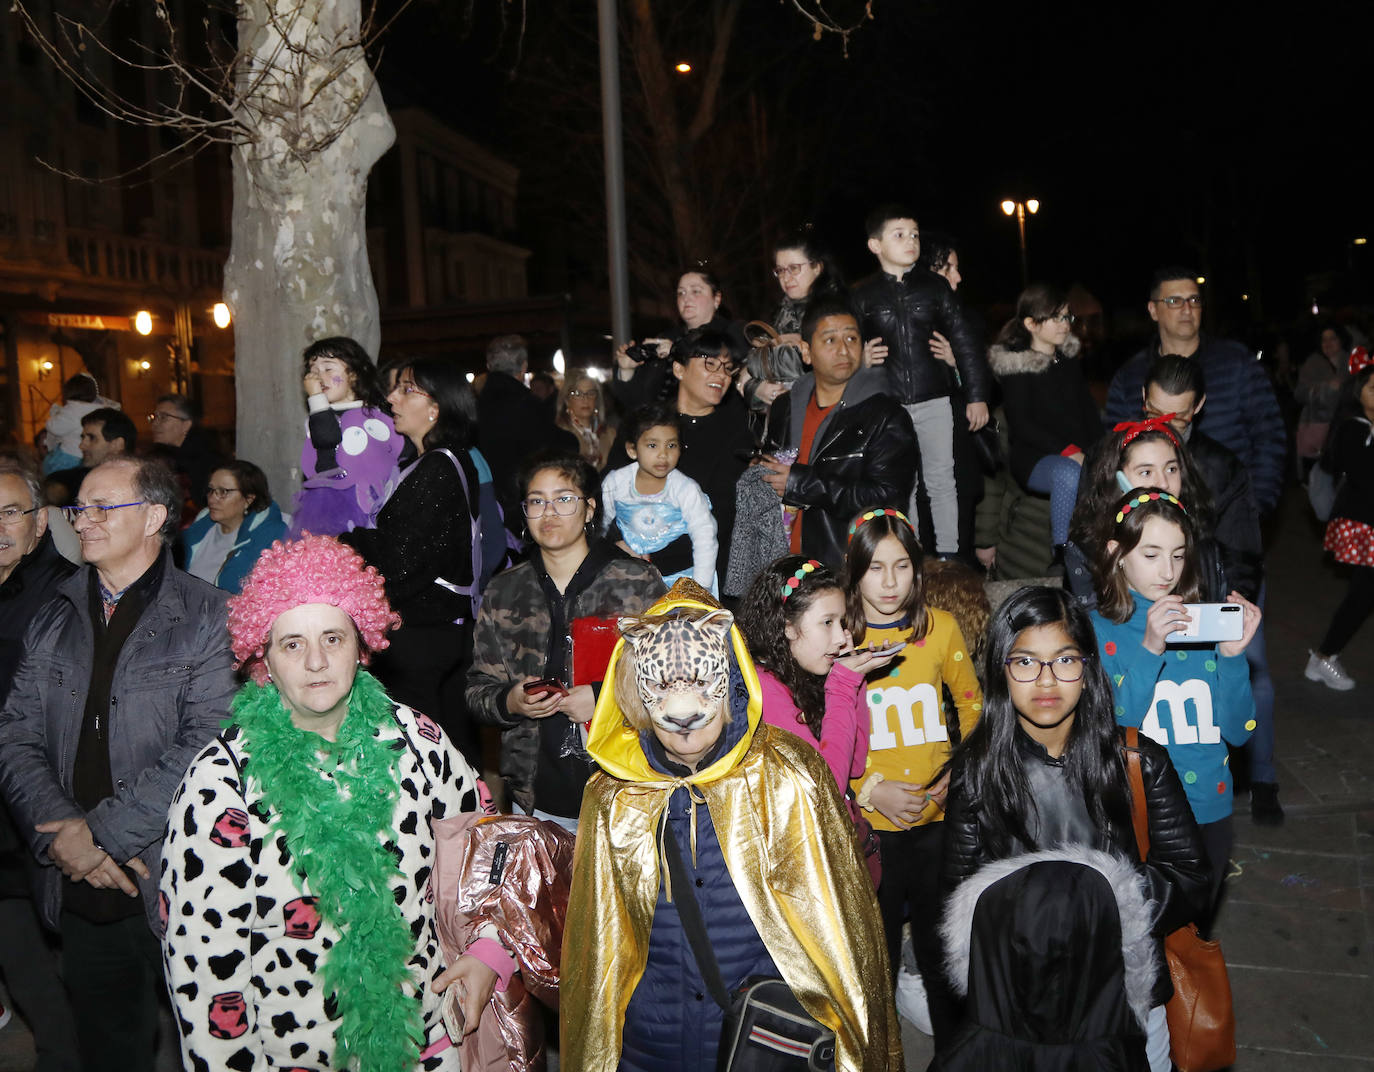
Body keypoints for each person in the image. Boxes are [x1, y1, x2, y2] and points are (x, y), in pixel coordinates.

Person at [162, 535, 515, 1071]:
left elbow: (494, 849)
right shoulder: (221, 784)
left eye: (333, 637)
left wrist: (489, 952)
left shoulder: (418, 742)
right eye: (292, 644)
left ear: (362, 644)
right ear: (264, 659)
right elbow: (205, 972)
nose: (317, 661)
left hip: (430, 1046)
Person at [560, 581, 901, 1070]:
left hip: (760, 1041)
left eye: (702, 681)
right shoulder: (614, 795)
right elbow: (598, 955)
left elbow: (839, 935)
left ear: (731, 679)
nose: (684, 712)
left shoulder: (787, 775)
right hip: (651, 1046)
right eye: (661, 686)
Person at [0, 456, 235, 1072]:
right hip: (80, 882)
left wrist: (100, 834)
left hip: (181, 875)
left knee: (212, 1048)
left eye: (105, 507)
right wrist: (64, 835)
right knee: (109, 1048)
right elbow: (17, 732)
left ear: (156, 517)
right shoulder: (54, 610)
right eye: (79, 508)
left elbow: (209, 744)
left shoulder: (211, 615)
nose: (85, 521)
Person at [941, 585, 1211, 1072]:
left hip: (1124, 999)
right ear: (1001, 672)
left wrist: (1095, 906)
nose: (1046, 682)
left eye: (1064, 661)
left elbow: (1190, 876)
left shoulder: (1137, 761)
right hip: (1021, 1001)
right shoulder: (978, 773)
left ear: (1087, 670)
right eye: (1025, 662)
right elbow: (962, 889)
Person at [1089, 490, 1260, 929]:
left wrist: (1233, 656)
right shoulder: (1097, 630)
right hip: (1139, 810)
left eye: (1179, 556)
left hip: (1210, 806)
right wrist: (1149, 649)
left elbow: (1239, 731)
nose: (1167, 571)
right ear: (1117, 553)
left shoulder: (1203, 623)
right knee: (1141, 936)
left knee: (1193, 936)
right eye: (1151, 554)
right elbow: (1113, 727)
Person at [467, 454, 666, 829]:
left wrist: (603, 696)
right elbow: (477, 691)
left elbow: (674, 677)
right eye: (537, 501)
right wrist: (511, 701)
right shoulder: (504, 590)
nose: (549, 512)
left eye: (564, 499)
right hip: (537, 794)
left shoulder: (636, 582)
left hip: (627, 787)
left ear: (589, 509)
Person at [843, 508, 981, 1048]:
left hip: (936, 820)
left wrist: (956, 775)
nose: (890, 582)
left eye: (902, 566)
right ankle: (878, 1051)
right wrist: (868, 787)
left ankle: (952, 1051)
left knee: (939, 944)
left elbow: (972, 708)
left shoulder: (940, 628)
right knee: (877, 948)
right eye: (876, 568)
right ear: (854, 572)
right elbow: (819, 730)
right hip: (869, 827)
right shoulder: (843, 635)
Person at [1140, 355, 1278, 823]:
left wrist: (1224, 611)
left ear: (1197, 406)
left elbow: (1242, 549)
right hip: (1140, 607)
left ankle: (1262, 780)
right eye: (1157, 413)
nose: (1167, 426)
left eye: (1177, 416)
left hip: (1207, 601)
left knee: (1250, 681)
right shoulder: (1118, 453)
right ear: (1143, 401)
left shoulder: (1220, 465)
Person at [340, 358, 483, 765]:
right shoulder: (429, 463)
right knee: (446, 747)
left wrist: (346, 541)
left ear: (436, 406)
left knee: (424, 754)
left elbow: (402, 561)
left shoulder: (438, 467)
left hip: (424, 635)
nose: (391, 399)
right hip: (436, 631)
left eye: (405, 390)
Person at [736, 555, 900, 884]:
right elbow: (826, 788)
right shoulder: (764, 689)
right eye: (828, 623)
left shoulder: (806, 676)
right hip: (809, 874)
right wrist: (843, 684)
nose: (841, 637)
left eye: (842, 623)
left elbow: (853, 766)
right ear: (786, 626)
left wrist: (857, 677)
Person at [850, 205, 990, 558]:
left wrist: (977, 395)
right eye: (899, 235)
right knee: (902, 483)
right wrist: (860, 361)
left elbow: (965, 342)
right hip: (888, 405)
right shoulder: (862, 295)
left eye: (914, 234)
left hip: (934, 398)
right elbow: (845, 343)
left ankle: (949, 555)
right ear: (875, 245)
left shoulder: (936, 288)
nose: (910, 241)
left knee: (943, 480)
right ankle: (907, 555)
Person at [0, 465, 80, 1070]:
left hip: (44, 798)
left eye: (10, 513)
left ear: (40, 522)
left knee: (61, 953)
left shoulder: (64, 593)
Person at [1104, 267, 1285, 517]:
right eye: (1174, 301)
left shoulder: (1237, 362)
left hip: (1229, 513)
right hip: (1156, 521)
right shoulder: (1130, 377)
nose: (1187, 309)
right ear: (1153, 310)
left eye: (1194, 300)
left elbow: (1269, 437)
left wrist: (1257, 505)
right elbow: (1113, 450)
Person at [757, 295, 919, 567]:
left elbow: (888, 498)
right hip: (783, 563)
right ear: (806, 352)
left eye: (852, 339)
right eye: (830, 340)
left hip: (845, 563)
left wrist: (800, 483)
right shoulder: (785, 406)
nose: (844, 350)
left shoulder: (885, 415)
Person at [610, 327, 754, 585]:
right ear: (679, 369)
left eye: (727, 368)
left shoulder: (737, 431)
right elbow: (610, 489)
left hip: (700, 573)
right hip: (635, 568)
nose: (720, 375)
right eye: (710, 364)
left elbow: (723, 513)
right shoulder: (648, 423)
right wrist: (618, 543)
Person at [987, 283, 1102, 550]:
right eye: (1056, 318)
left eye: (1066, 316)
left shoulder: (1069, 360)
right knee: (1068, 473)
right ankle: (1062, 553)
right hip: (1034, 457)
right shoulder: (1017, 367)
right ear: (1031, 323)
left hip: (1078, 453)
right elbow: (1023, 425)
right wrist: (1069, 451)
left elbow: (1088, 413)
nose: (1065, 324)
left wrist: (1102, 451)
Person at [288, 335, 403, 539]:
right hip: (326, 517)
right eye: (312, 371)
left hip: (368, 514)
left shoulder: (375, 417)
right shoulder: (317, 416)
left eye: (328, 368)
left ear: (354, 374)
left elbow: (328, 437)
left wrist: (316, 398)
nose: (317, 377)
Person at [1306, 357, 1374, 691]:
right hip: (1364, 524)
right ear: (1358, 394)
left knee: (1363, 594)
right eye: (1373, 388)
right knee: (1362, 595)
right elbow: (1365, 477)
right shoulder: (1354, 428)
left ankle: (1323, 656)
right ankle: (1323, 656)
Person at [601, 403, 717, 593]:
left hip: (681, 579)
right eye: (652, 445)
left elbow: (705, 538)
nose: (663, 454)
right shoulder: (616, 483)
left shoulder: (686, 490)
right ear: (632, 449)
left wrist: (700, 589)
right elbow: (599, 527)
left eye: (671, 445)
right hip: (629, 578)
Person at [476, 334, 578, 533]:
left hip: (486, 503)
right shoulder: (527, 406)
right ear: (524, 367)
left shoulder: (475, 405)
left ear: (489, 365)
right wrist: (575, 438)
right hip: (520, 503)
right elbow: (556, 445)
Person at [743, 224, 845, 413]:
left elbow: (810, 361)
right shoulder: (780, 313)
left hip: (829, 413)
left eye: (794, 268)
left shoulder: (837, 310)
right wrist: (758, 390)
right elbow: (746, 377)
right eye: (780, 270)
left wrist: (756, 360)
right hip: (788, 421)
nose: (786, 277)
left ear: (817, 267)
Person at [181, 460, 288, 592]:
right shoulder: (198, 531)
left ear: (249, 499)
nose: (212, 498)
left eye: (223, 491)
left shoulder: (268, 538)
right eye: (211, 490)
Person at [45, 407, 137, 509]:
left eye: (92, 438)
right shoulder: (64, 480)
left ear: (117, 444)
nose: (82, 445)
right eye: (83, 437)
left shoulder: (139, 484)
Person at [148, 392, 223, 513]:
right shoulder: (159, 458)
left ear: (186, 425)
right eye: (154, 417)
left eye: (164, 417)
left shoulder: (206, 462)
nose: (155, 424)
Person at [1296, 324, 1353, 479]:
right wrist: (1323, 388)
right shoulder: (1312, 363)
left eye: (1332, 338)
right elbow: (1299, 394)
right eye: (1323, 340)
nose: (1327, 343)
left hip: (1344, 428)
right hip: (1317, 428)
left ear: (1341, 340)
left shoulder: (1351, 363)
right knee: (1318, 476)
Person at [41, 374, 115, 476]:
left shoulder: (72, 410)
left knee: (49, 470)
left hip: (70, 455)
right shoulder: (101, 408)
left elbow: (54, 428)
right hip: (94, 456)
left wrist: (55, 415)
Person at [556, 368, 616, 468]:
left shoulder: (610, 434)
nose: (585, 399)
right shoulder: (559, 434)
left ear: (597, 399)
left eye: (591, 393)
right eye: (577, 394)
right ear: (567, 400)